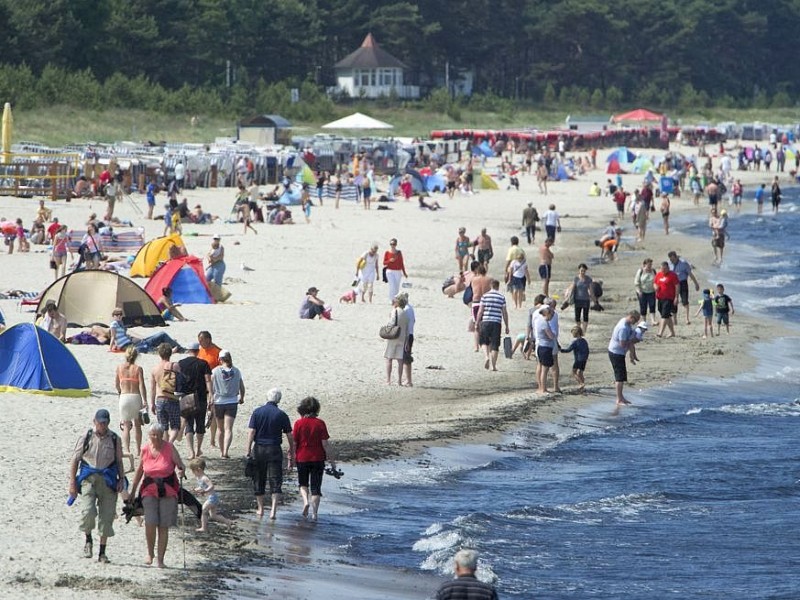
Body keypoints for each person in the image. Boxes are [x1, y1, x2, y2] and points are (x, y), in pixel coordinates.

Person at [68, 409, 124, 564]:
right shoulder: (86, 437)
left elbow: (119, 461)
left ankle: (102, 552)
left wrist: (121, 479)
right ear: (95, 421)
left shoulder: (114, 439)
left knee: (106, 517)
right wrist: (72, 482)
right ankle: (88, 540)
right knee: (88, 512)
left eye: (105, 422)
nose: (102, 425)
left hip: (108, 480)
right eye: (100, 422)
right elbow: (75, 459)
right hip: (89, 479)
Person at [128, 424, 185, 568]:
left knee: (163, 526)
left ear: (162, 435)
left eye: (158, 435)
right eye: (153, 435)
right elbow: (140, 471)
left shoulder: (170, 448)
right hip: (149, 490)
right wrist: (133, 491)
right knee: (150, 522)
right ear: (149, 436)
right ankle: (150, 553)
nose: (156, 438)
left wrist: (181, 471)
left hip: (168, 491)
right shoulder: (145, 449)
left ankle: (160, 559)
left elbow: (180, 465)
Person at [246, 387, 294, 519]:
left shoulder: (257, 412)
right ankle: (273, 510)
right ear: (279, 400)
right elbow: (290, 435)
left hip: (259, 448)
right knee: (275, 479)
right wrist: (292, 451)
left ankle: (260, 509)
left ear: (267, 397)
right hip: (274, 448)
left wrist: (248, 449)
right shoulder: (281, 414)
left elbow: (251, 432)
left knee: (258, 478)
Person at [293, 396, 336, 522]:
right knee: (316, 488)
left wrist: (291, 456)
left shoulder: (298, 423)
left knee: (303, 483)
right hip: (318, 458)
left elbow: (295, 442)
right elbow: (325, 444)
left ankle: (305, 501)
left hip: (302, 457)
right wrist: (332, 461)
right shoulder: (320, 423)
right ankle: (315, 513)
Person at [178, 342, 213, 459]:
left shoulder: (181, 363)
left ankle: (191, 451)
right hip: (201, 396)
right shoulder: (203, 363)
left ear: (188, 350)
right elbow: (208, 380)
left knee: (189, 424)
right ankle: (198, 449)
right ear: (198, 351)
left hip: (186, 397)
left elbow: (177, 380)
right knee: (200, 424)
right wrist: (211, 394)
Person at [211, 349, 245, 458]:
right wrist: (242, 397)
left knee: (220, 429)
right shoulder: (236, 371)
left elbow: (210, 388)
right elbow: (241, 386)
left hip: (218, 402)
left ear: (220, 359)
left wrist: (210, 399)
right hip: (232, 401)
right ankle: (225, 451)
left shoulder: (215, 371)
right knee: (228, 429)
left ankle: (221, 451)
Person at [115, 346, 147, 456]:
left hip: (124, 397)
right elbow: (142, 385)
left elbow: (116, 385)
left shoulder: (119, 368)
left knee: (126, 426)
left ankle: (127, 450)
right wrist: (145, 400)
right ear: (136, 356)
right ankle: (138, 450)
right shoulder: (138, 368)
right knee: (137, 425)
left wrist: (120, 392)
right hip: (135, 396)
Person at [109, 308, 182, 354]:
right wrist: (110, 348)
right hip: (127, 346)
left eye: (120, 314)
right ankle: (168, 352)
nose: (119, 316)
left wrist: (116, 344)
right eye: (116, 315)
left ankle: (179, 347)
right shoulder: (113, 324)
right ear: (113, 316)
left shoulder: (121, 323)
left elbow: (122, 336)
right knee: (143, 348)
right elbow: (113, 336)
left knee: (161, 334)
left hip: (133, 342)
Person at [149, 343, 182, 443]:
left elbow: (152, 389)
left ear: (159, 354)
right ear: (170, 353)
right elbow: (181, 382)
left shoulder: (155, 369)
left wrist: (152, 403)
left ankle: (165, 448)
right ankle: (170, 444)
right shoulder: (175, 366)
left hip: (160, 399)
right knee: (175, 426)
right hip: (172, 398)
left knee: (163, 427)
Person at [189, 458, 233, 532]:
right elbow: (202, 487)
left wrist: (205, 491)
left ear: (198, 469)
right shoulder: (199, 478)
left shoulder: (204, 478)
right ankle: (227, 522)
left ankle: (204, 528)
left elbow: (211, 486)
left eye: (193, 471)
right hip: (212, 498)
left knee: (203, 510)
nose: (193, 473)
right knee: (213, 516)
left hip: (212, 498)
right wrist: (196, 489)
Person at [607, 310, 642, 406]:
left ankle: (621, 397)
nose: (635, 323)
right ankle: (619, 399)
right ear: (631, 317)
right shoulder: (623, 328)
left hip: (617, 352)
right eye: (635, 320)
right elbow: (622, 344)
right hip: (616, 353)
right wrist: (633, 341)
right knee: (620, 377)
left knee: (621, 376)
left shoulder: (625, 322)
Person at [476, 279, 510, 372]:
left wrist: (477, 322)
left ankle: (486, 357)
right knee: (495, 344)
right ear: (498, 286)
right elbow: (504, 312)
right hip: (496, 322)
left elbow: (480, 311)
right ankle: (493, 366)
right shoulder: (501, 297)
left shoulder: (485, 296)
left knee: (483, 341)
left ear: (490, 286)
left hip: (486, 321)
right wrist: (507, 326)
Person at [667, 251, 700, 326]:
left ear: (676, 257)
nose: (672, 261)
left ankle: (687, 318)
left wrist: (696, 284)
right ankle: (675, 319)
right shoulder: (669, 263)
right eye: (670, 260)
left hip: (682, 283)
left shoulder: (684, 263)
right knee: (674, 301)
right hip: (673, 284)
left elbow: (690, 274)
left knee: (685, 300)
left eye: (673, 259)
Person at [384, 294, 411, 384]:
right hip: (402, 337)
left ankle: (388, 380)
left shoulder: (394, 311)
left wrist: (387, 329)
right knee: (400, 360)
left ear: (397, 302)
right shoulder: (405, 314)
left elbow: (391, 323)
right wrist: (407, 341)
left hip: (394, 336)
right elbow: (407, 329)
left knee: (389, 358)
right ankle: (399, 381)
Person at [565, 263, 595, 332]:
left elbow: (591, 291)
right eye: (581, 270)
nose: (582, 272)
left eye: (584, 271)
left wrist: (594, 301)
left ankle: (584, 331)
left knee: (585, 316)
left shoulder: (588, 279)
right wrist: (567, 299)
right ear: (579, 270)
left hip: (586, 300)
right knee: (577, 316)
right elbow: (572, 289)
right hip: (577, 300)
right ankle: (578, 329)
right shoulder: (576, 279)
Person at [654, 261, 679, 338]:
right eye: (662, 269)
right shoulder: (658, 274)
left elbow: (677, 286)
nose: (663, 270)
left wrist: (676, 297)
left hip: (669, 298)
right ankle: (672, 332)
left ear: (668, 268)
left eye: (665, 269)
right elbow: (655, 283)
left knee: (664, 315)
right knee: (666, 315)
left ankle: (660, 333)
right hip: (660, 297)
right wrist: (655, 287)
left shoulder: (673, 275)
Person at [561, 325, 589, 391]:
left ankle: (581, 383)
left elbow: (568, 350)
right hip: (584, 359)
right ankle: (583, 386)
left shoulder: (575, 342)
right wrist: (586, 358)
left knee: (574, 372)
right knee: (580, 372)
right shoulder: (584, 341)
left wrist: (561, 350)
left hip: (578, 360)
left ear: (575, 334)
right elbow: (587, 350)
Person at [634, 258, 658, 326]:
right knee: (643, 306)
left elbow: (656, 280)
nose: (650, 266)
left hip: (651, 291)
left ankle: (653, 321)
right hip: (642, 292)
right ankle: (644, 321)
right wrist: (639, 291)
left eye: (651, 264)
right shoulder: (640, 271)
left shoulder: (653, 271)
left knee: (652, 305)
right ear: (644, 265)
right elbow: (636, 282)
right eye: (648, 265)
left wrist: (656, 288)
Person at [399, 292, 415, 387]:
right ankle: (407, 379)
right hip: (409, 334)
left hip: (407, 335)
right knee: (406, 357)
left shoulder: (406, 309)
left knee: (406, 358)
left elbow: (405, 324)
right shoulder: (410, 308)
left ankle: (408, 380)